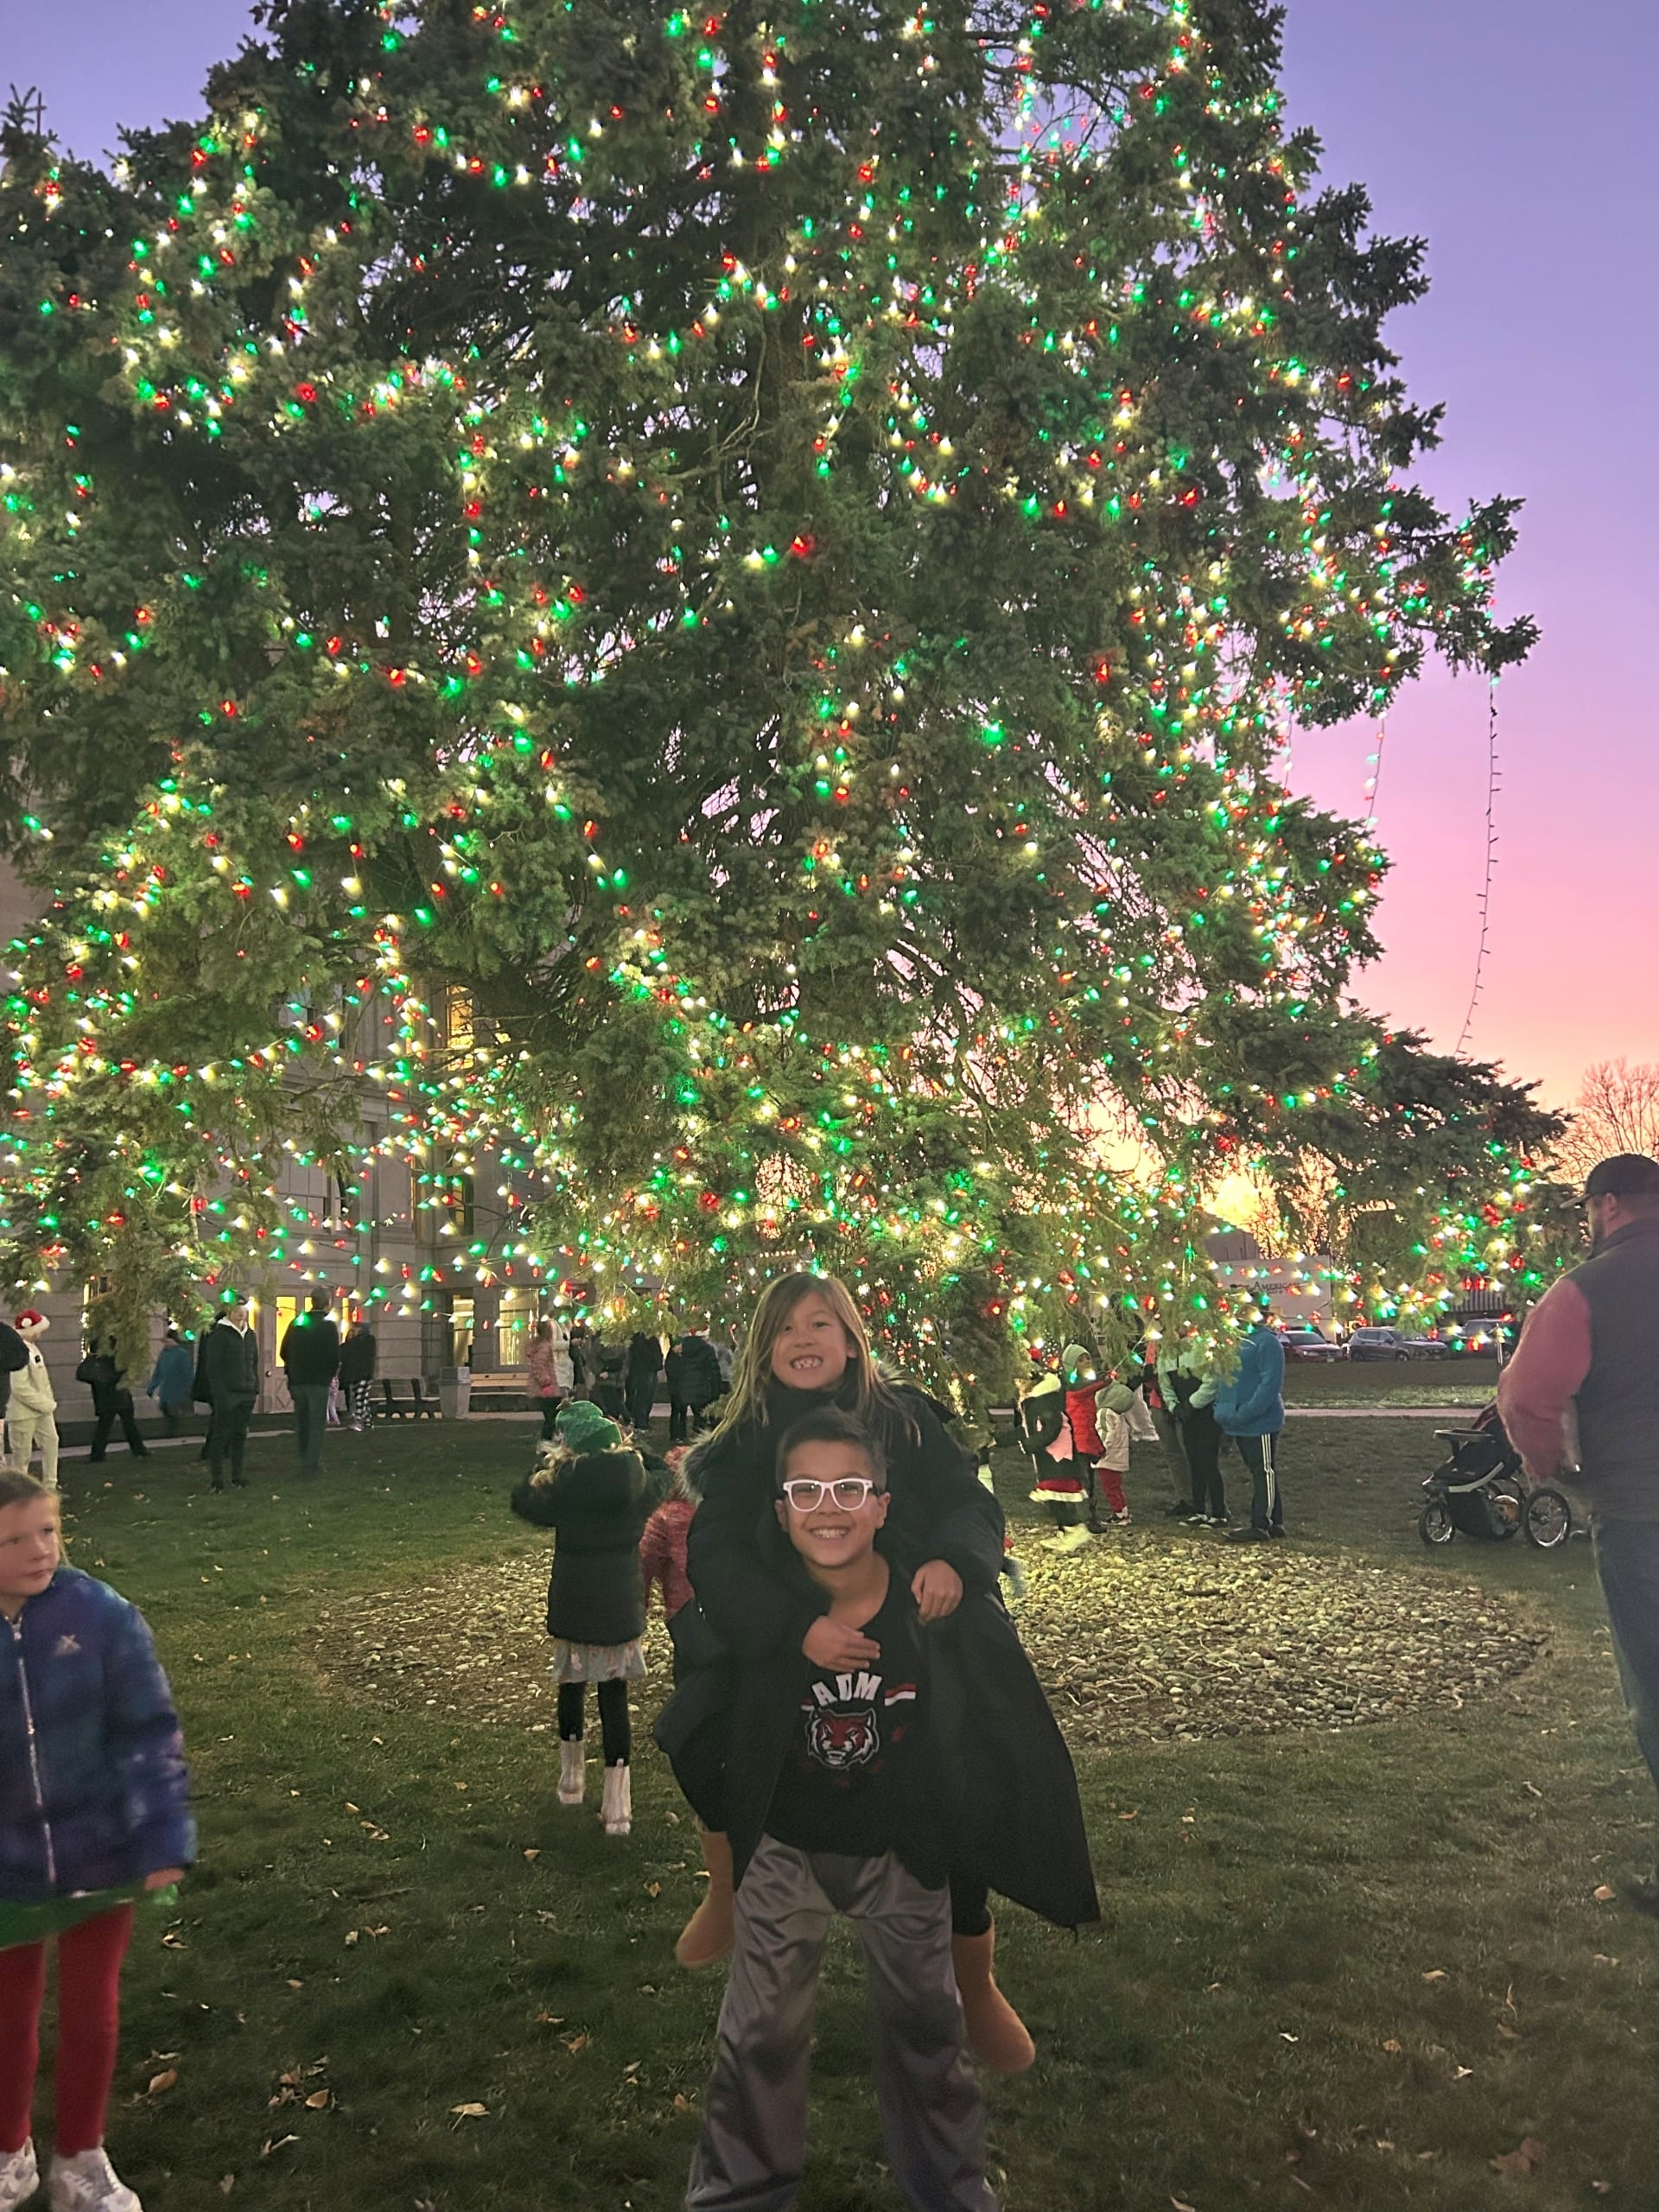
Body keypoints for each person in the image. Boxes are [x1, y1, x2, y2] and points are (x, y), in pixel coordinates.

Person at [683, 1408, 1096, 2212]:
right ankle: (740, 2194)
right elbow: (699, 1714)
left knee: (926, 2035)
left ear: (883, 1503)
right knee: (759, 2033)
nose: (828, 1506)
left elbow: (985, 1730)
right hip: (785, 1853)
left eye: (848, 1489)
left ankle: (947, 2192)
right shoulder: (764, 1617)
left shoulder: (927, 1614)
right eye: (805, 1490)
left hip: (900, 1855)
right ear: (778, 1510)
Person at [658, 1274, 1032, 2073]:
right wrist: (794, 1630)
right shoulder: (737, 1449)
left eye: (820, 1323)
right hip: (781, 1643)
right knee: (698, 1734)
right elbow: (716, 1556)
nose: (804, 1339)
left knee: (962, 1782)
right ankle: (727, 1887)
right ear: (763, 1347)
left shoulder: (904, 1420)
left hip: (909, 1634)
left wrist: (955, 1563)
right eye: (786, 1327)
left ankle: (976, 1978)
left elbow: (970, 1502)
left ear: (852, 1338)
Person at [0, 1470, 195, 2212]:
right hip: (7, 1865)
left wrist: (162, 1836)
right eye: (14, 1538)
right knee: (7, 2013)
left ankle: (80, 2158)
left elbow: (149, 1732)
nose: (38, 1550)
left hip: (99, 1854)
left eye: (47, 1531)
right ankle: (7, 2150)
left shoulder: (101, 1616)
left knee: (92, 2010)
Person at [1497, 1153, 1659, 1910]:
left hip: (1641, 1511)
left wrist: (1552, 1467)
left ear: (1609, 1206)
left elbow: (1528, 1397)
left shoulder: (1584, 1290)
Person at [510, 1402, 667, 1838]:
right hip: (619, 1605)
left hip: (575, 1601)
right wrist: (639, 1453)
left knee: (572, 1688)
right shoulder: (639, 1486)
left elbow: (522, 1500)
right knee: (614, 1699)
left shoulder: (563, 1488)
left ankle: (571, 1782)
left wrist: (542, 1467)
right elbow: (668, 1474)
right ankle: (618, 1808)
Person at [1215, 1306, 1286, 1541]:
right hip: (1234, 1418)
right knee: (1261, 1471)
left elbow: (1269, 1384)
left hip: (1259, 1421)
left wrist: (1249, 1411)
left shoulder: (1267, 1343)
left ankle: (1261, 1525)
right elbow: (1225, 1380)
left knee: (1263, 1469)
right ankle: (1275, 1521)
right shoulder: (1232, 1341)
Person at [1014, 1363, 1089, 1553]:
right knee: (1054, 1498)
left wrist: (1032, 1444)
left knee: (1055, 1495)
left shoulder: (1045, 1401)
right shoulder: (1034, 1403)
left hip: (1057, 1457)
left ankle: (1074, 1528)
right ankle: (1065, 1530)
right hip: (1049, 1458)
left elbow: (1052, 1428)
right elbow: (1026, 1430)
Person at [1061, 1343, 1135, 1532]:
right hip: (1078, 1440)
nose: (1086, 1361)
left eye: (1087, 1358)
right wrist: (1105, 1379)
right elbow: (1089, 1387)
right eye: (1081, 1359)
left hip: (1085, 1437)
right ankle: (1085, 1518)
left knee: (1088, 1481)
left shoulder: (1082, 1385)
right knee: (1084, 1481)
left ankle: (1086, 1516)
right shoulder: (1074, 1386)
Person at [1158, 1328, 1226, 1528]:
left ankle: (1219, 1511)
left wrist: (1192, 1405)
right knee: (1193, 1461)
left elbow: (1211, 1381)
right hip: (1184, 1413)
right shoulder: (1166, 1354)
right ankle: (1199, 1509)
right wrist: (1174, 1407)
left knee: (1208, 1461)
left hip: (1205, 1412)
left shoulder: (1200, 1347)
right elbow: (1165, 1384)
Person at [196, 1298, 258, 1493]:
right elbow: (213, 1369)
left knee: (240, 1435)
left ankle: (237, 1476)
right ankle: (217, 1480)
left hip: (246, 1393)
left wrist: (254, 1387)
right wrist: (220, 1395)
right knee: (220, 1436)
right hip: (227, 1395)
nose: (241, 1312)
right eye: (236, 1309)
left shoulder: (250, 1335)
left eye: (243, 1308)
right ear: (228, 1312)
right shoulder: (219, 1335)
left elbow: (253, 1362)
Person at [279, 1292, 340, 1478]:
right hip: (318, 1382)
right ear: (327, 1304)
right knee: (316, 1425)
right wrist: (329, 1375)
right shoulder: (328, 1327)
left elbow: (283, 1351)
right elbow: (334, 1357)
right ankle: (311, 1466)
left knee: (303, 1422)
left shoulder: (297, 1323)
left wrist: (293, 1369)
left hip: (298, 1381)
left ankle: (305, 1458)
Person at [640, 1447, 696, 1627]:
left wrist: (639, 1606)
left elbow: (645, 1561)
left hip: (681, 1606)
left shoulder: (664, 1517)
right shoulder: (713, 1508)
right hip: (719, 1600)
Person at [74, 1343, 148, 1467]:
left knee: (107, 1425)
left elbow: (84, 1375)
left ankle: (98, 1454)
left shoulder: (98, 1361)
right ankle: (138, 1450)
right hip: (116, 1394)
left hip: (106, 1395)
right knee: (125, 1424)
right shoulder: (113, 1359)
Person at [6, 1315, 59, 1489]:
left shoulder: (33, 1349)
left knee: (51, 1442)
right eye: (38, 1331)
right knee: (22, 1455)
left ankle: (50, 1486)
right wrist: (45, 1404)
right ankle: (17, 1493)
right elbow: (20, 1388)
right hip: (23, 1413)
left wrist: (46, 1404)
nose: (40, 1335)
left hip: (42, 1409)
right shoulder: (16, 1351)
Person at [143, 1330, 194, 1439]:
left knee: (172, 1410)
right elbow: (158, 1372)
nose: (165, 1343)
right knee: (164, 1407)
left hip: (177, 1388)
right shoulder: (164, 1354)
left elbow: (187, 1372)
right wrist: (151, 1387)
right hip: (166, 1388)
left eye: (167, 1341)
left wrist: (189, 1386)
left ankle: (172, 1432)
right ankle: (171, 1429)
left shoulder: (181, 1354)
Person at [524, 1319, 564, 1440]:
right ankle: (546, 1441)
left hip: (545, 1387)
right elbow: (539, 1365)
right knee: (552, 1418)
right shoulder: (544, 1346)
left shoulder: (538, 1345)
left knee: (551, 1417)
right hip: (547, 1388)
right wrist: (545, 1381)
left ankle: (548, 1440)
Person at [677, 1329, 724, 1433]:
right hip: (704, 1388)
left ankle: (698, 1430)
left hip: (688, 1387)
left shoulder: (685, 1349)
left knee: (698, 1414)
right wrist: (717, 1387)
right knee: (705, 1415)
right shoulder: (707, 1350)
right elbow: (714, 1370)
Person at [337, 1319, 378, 1432]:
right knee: (362, 1399)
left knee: (359, 1399)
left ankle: (359, 1422)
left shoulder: (367, 1341)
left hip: (363, 1374)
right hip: (358, 1374)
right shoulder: (360, 1341)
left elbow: (346, 1352)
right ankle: (368, 1422)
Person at [626, 1328, 664, 1434]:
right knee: (643, 1396)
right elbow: (641, 1353)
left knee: (648, 1397)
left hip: (651, 1369)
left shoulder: (651, 1338)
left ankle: (644, 1420)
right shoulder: (639, 1338)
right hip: (644, 1370)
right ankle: (640, 1422)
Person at [664, 1336, 689, 1444]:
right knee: (676, 1411)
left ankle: (682, 1433)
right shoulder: (671, 1359)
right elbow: (673, 1373)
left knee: (683, 1412)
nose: (680, 1347)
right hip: (676, 1389)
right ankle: (674, 1434)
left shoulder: (681, 1357)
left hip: (682, 1388)